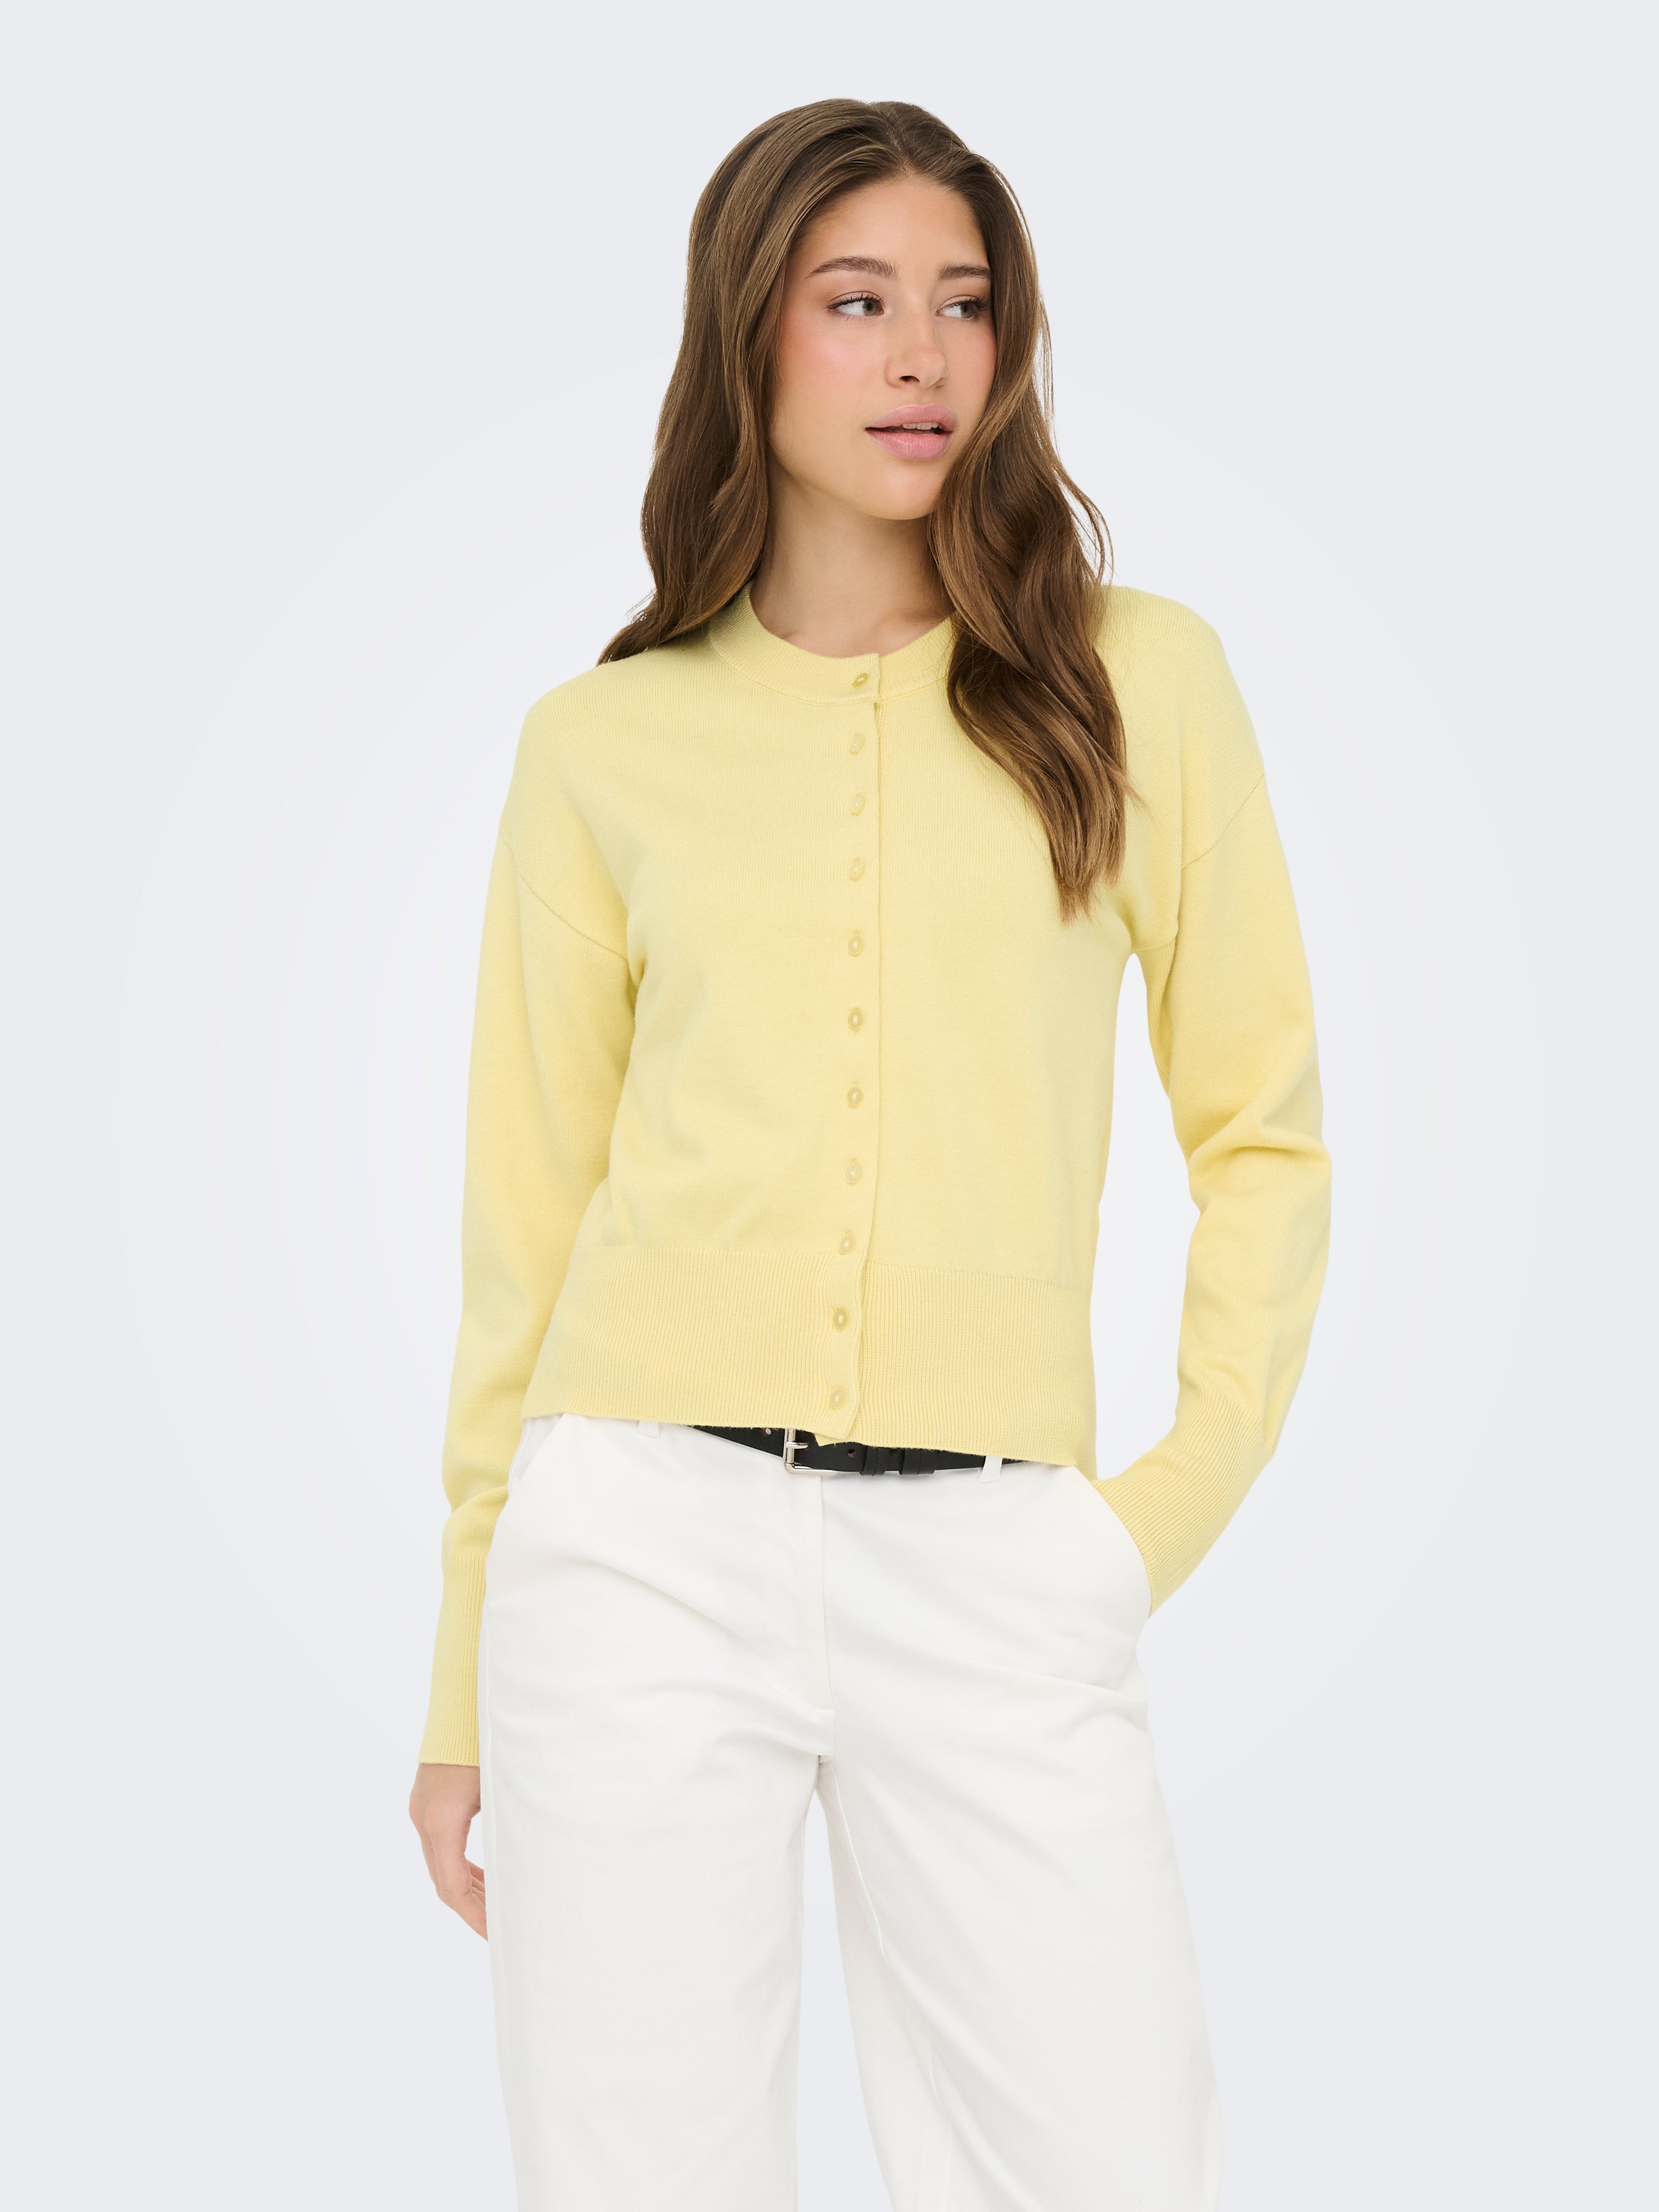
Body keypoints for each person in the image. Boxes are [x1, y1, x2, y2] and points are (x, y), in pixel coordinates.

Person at [408, 96, 1330, 2212]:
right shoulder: (601, 744)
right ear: (747, 333)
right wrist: (461, 1673)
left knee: (1111, 2167)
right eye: (855, 303)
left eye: (963, 304)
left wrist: (1146, 1521)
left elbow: (1262, 1136)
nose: (922, 356)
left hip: (999, 1562)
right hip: (632, 1553)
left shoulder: (1132, 682)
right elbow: (520, 1233)